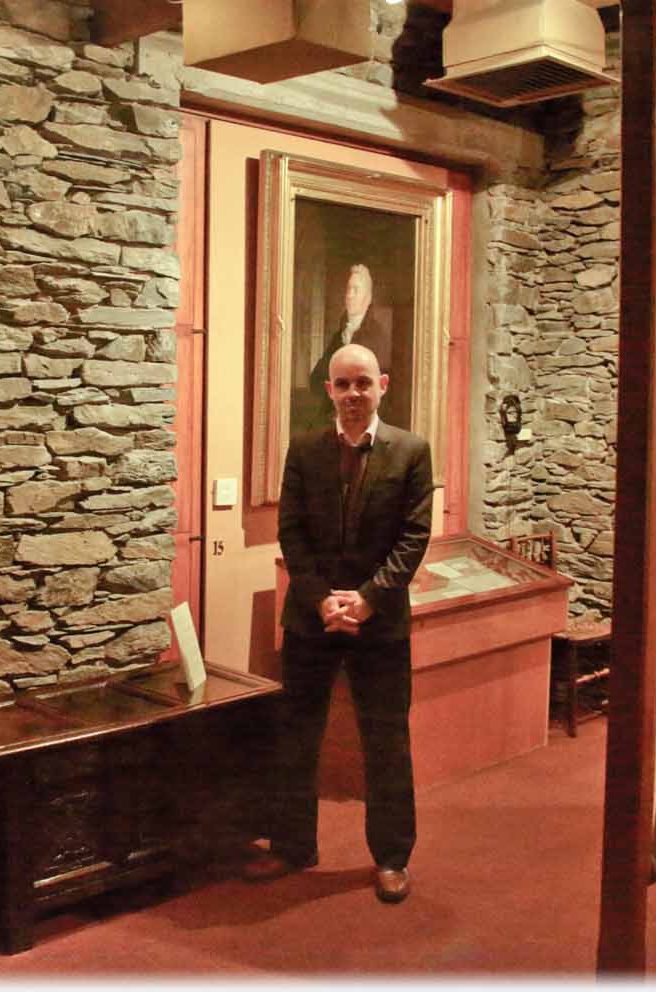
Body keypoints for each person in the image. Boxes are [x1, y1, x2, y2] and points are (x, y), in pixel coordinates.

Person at [267, 342, 433, 904]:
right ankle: (293, 845)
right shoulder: (305, 448)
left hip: (379, 623)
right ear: (329, 390)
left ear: (382, 384)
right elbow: (291, 531)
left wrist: (367, 600)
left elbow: (413, 537)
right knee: (297, 734)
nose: (353, 394)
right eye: (343, 384)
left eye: (363, 383)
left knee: (387, 742)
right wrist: (320, 601)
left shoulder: (411, 450)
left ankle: (392, 857)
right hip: (312, 620)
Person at [307, 263, 393, 405]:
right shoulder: (339, 336)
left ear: (368, 298)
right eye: (348, 289)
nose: (349, 295)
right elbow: (316, 382)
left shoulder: (377, 337)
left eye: (355, 290)